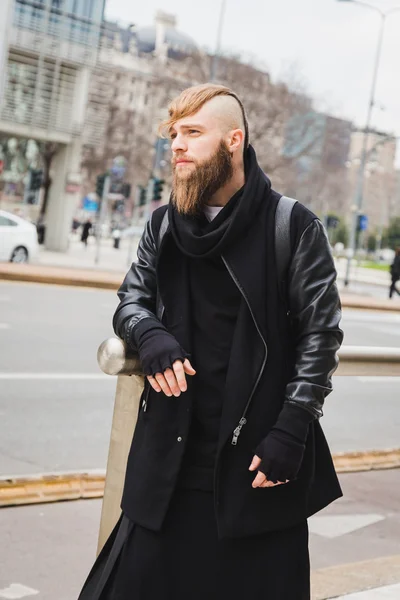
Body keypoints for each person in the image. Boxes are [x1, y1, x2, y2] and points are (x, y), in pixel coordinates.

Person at [78, 84, 343, 600]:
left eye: (193, 133)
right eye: (173, 134)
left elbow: (321, 334)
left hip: (257, 467)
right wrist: (148, 333)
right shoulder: (161, 225)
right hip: (168, 465)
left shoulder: (292, 225)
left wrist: (291, 429)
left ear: (233, 141)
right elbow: (130, 300)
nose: (176, 145)